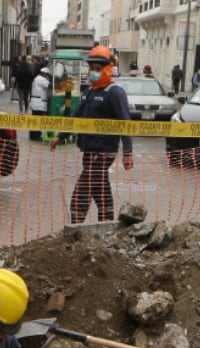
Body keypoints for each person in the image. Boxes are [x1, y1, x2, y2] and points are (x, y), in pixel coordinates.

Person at [50, 45, 134, 224]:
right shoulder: (89, 92)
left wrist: (128, 153)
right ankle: (108, 225)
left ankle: (76, 229)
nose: (93, 72)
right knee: (100, 188)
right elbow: (77, 118)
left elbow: (126, 124)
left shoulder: (115, 93)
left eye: (98, 69)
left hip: (104, 152)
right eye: (91, 68)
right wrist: (61, 136)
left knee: (81, 192)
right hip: (89, 151)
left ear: (108, 69)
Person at [28, 65, 51, 141]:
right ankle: (36, 135)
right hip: (39, 103)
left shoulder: (37, 78)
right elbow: (50, 85)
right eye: (47, 75)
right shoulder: (41, 79)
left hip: (36, 102)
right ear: (45, 74)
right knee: (38, 120)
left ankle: (33, 135)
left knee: (35, 119)